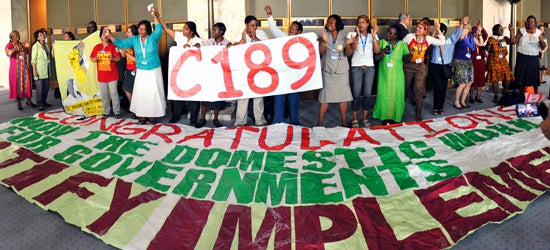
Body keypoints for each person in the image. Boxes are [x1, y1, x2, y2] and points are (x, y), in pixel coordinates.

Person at [106, 8, 166, 125]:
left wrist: (154, 15)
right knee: (141, 93)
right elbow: (122, 44)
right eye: (139, 28)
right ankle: (142, 116)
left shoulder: (153, 38)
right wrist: (110, 36)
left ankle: (153, 116)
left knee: (153, 93)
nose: (141, 31)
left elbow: (159, 29)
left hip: (154, 70)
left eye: (143, 29)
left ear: (148, 30)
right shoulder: (134, 40)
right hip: (141, 70)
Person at [157, 14, 203, 126]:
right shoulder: (180, 37)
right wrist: (158, 16)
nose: (183, 29)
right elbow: (166, 29)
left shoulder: (198, 40)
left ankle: (193, 119)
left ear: (191, 32)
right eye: (183, 27)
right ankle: (175, 116)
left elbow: (198, 47)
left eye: (186, 28)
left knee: (193, 96)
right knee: (177, 93)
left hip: (192, 73)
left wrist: (191, 48)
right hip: (180, 72)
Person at [265, 4, 302, 125]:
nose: (291, 29)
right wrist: (270, 15)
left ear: (299, 32)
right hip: (281, 74)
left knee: (294, 100)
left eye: (294, 28)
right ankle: (278, 122)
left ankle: (294, 122)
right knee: (279, 99)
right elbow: (273, 29)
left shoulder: (303, 43)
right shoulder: (284, 37)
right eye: (291, 28)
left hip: (294, 76)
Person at [402, 20, 445, 121]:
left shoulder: (428, 39)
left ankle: (418, 113)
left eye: (420, 28)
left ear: (425, 31)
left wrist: (437, 29)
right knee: (405, 89)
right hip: (408, 66)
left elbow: (442, 42)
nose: (417, 29)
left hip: (420, 66)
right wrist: (408, 52)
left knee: (419, 89)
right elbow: (400, 49)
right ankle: (400, 110)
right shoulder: (409, 37)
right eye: (417, 27)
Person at [317, 14, 353, 127]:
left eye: (331, 22)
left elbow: (348, 53)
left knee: (343, 96)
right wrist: (323, 41)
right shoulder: (324, 35)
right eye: (328, 22)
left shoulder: (344, 35)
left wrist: (348, 45)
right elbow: (321, 52)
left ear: (337, 24)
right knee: (325, 96)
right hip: (328, 70)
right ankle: (320, 121)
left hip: (342, 70)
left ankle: (344, 120)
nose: (329, 24)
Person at [233, 15, 268, 127]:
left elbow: (268, 47)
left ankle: (259, 120)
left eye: (256, 25)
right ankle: (240, 121)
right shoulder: (240, 35)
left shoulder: (261, 33)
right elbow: (234, 50)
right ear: (246, 25)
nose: (255, 27)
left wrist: (256, 37)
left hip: (258, 69)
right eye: (252, 25)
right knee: (243, 96)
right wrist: (243, 39)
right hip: (244, 70)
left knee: (258, 95)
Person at [345, 14, 380, 128]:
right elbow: (349, 52)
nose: (361, 24)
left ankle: (364, 118)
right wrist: (357, 36)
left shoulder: (372, 36)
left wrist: (374, 36)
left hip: (369, 67)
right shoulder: (351, 35)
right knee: (356, 94)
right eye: (359, 22)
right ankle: (355, 119)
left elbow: (377, 50)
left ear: (367, 24)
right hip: (356, 67)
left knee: (367, 94)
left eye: (363, 22)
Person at [196, 22, 232, 128]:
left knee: (217, 96)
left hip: (220, 74)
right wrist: (198, 47)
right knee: (204, 96)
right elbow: (203, 53)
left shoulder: (226, 43)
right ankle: (202, 118)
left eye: (215, 30)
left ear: (221, 32)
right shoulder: (208, 42)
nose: (213, 32)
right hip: (208, 72)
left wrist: (232, 47)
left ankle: (216, 119)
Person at [372, 26, 409, 124]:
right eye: (387, 32)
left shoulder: (402, 45)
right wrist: (383, 53)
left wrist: (412, 54)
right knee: (384, 96)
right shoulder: (382, 43)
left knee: (397, 96)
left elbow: (407, 59)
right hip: (384, 75)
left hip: (398, 76)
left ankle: (396, 117)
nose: (387, 34)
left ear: (396, 35)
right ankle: (385, 117)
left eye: (390, 33)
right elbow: (376, 58)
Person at [452, 16, 484, 110]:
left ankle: (463, 101)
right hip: (460, 61)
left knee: (469, 83)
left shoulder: (471, 37)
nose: (466, 29)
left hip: (468, 62)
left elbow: (481, 44)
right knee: (462, 84)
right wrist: (463, 23)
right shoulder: (460, 37)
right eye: (464, 27)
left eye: (467, 27)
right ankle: (456, 101)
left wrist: (479, 32)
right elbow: (461, 36)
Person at [429, 23, 461, 115]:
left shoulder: (450, 40)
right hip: (435, 66)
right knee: (437, 87)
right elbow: (428, 43)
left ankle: (440, 107)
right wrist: (434, 33)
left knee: (443, 88)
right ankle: (435, 107)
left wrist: (462, 24)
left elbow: (457, 34)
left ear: (442, 31)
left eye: (438, 30)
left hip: (446, 66)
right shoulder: (434, 40)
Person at [510, 15, 546, 96]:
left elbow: (543, 45)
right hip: (522, 57)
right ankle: (521, 94)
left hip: (533, 58)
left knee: (534, 76)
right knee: (521, 76)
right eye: (529, 21)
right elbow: (514, 41)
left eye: (532, 22)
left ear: (535, 23)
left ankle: (536, 94)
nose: (530, 23)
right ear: (526, 22)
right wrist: (512, 31)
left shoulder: (538, 32)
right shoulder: (522, 31)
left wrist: (542, 43)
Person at [90, 26, 121, 119]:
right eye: (103, 34)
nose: (105, 35)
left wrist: (113, 58)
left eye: (107, 33)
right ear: (101, 36)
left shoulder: (113, 46)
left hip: (112, 75)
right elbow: (91, 58)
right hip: (102, 76)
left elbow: (118, 58)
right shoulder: (97, 47)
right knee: (104, 95)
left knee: (114, 94)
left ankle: (117, 112)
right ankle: (106, 111)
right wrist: (96, 58)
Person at [485, 24, 515, 103]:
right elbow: (487, 48)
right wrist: (488, 45)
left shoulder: (504, 39)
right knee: (495, 79)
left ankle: (504, 91)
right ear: (495, 31)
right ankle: (495, 95)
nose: (502, 31)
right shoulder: (491, 39)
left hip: (503, 60)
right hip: (494, 61)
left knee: (508, 78)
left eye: (502, 29)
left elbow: (512, 42)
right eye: (500, 29)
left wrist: (511, 30)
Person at [5, 30, 34, 110]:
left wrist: (27, 47)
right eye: (16, 35)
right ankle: (19, 102)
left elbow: (29, 53)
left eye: (18, 35)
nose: (18, 36)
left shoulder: (22, 44)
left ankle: (29, 100)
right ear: (12, 37)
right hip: (15, 69)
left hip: (24, 67)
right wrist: (15, 49)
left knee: (27, 84)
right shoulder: (9, 45)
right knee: (16, 85)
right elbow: (8, 53)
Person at [119, 25, 138, 119]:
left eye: (129, 32)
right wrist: (120, 49)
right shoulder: (127, 44)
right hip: (128, 69)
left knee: (134, 90)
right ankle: (134, 108)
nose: (126, 34)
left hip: (135, 69)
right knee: (126, 88)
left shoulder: (136, 44)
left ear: (134, 34)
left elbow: (136, 60)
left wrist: (126, 53)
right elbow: (123, 56)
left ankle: (136, 110)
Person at [31, 29, 51, 111]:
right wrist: (34, 71)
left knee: (46, 88)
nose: (43, 36)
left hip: (46, 69)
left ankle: (44, 101)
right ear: (37, 38)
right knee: (39, 88)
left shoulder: (46, 45)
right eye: (40, 35)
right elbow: (33, 60)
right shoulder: (35, 46)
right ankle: (40, 104)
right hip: (39, 70)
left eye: (43, 34)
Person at [469, 22, 488, 104]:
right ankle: (471, 96)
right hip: (473, 62)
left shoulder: (481, 40)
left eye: (478, 32)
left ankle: (478, 96)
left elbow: (486, 35)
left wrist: (481, 28)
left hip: (481, 63)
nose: (477, 34)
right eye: (475, 33)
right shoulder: (470, 41)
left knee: (480, 80)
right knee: (472, 81)